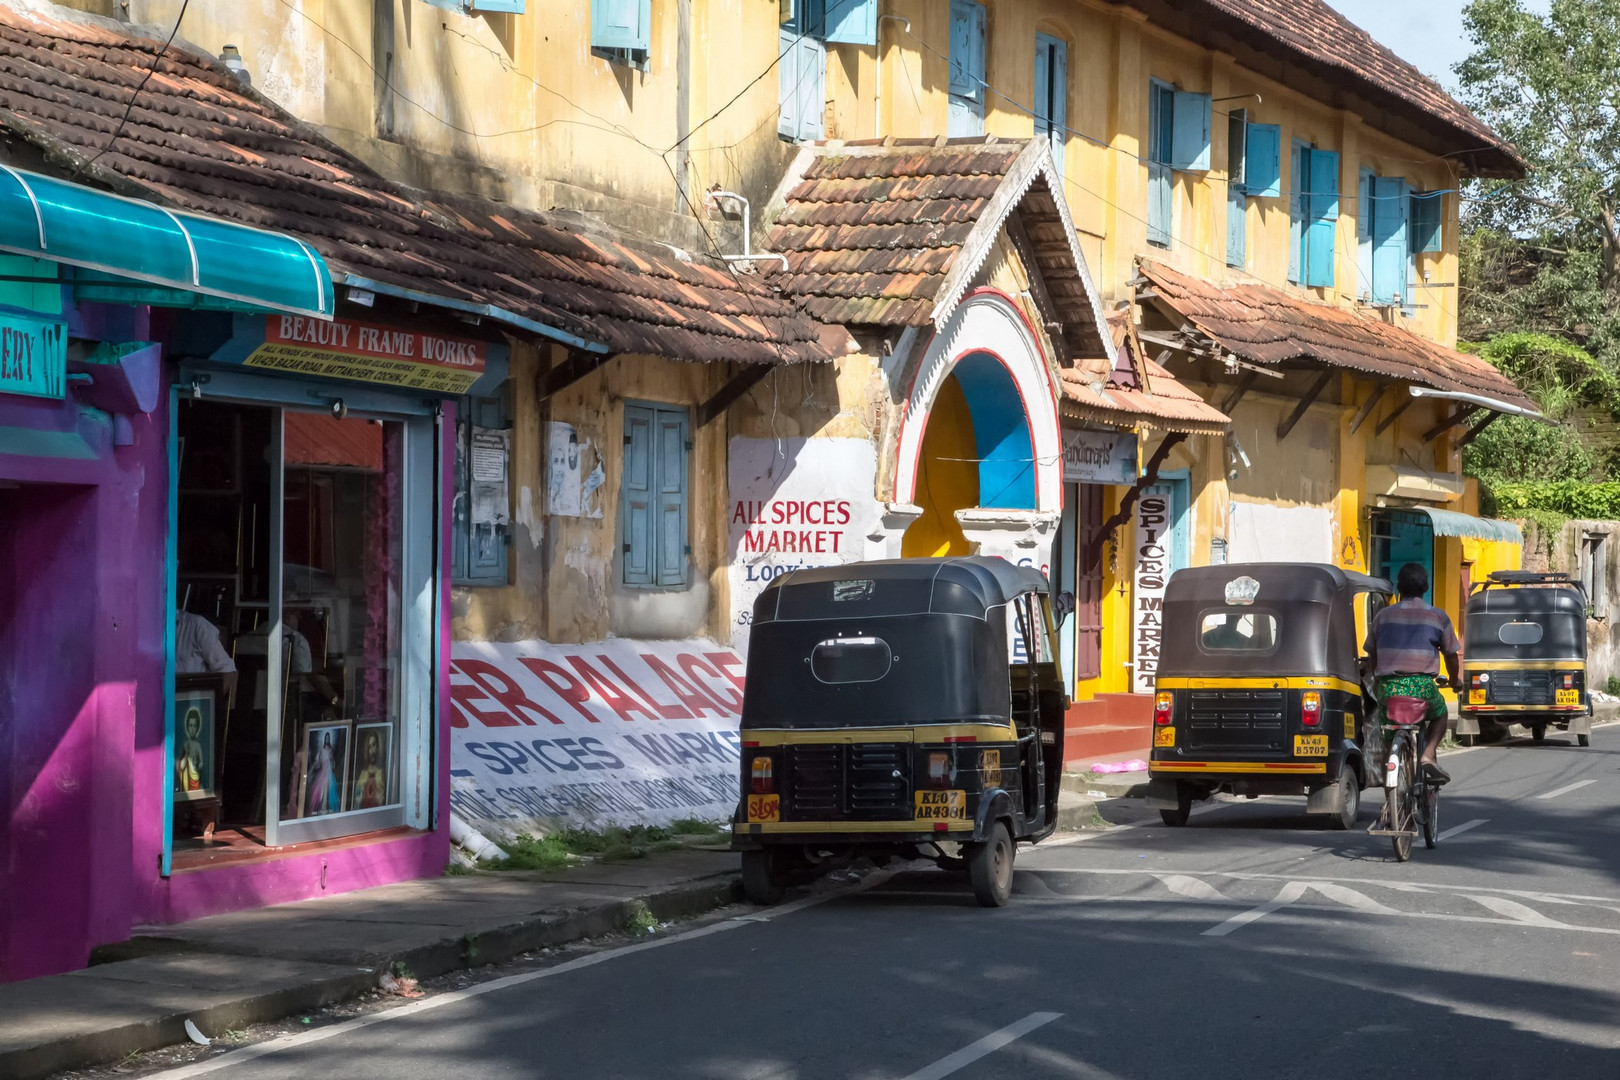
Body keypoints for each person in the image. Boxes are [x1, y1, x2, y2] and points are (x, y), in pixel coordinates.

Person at [1365, 563, 1461, 784]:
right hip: (1422, 688)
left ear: (1399, 587)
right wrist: (1455, 680)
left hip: (1388, 689)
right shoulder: (1437, 616)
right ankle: (1428, 754)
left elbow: (1372, 654)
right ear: (1425, 588)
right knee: (1440, 714)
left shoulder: (1382, 616)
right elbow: (1451, 656)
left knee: (1389, 738)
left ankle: (1391, 801)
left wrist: (1378, 677)